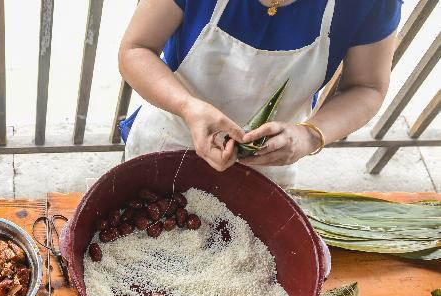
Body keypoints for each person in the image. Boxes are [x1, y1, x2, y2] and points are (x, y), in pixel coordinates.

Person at [118, 0, 400, 188]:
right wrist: (188, 107)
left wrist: (310, 135)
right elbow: (136, 49)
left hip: (267, 165)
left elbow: (367, 87)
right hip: (170, 138)